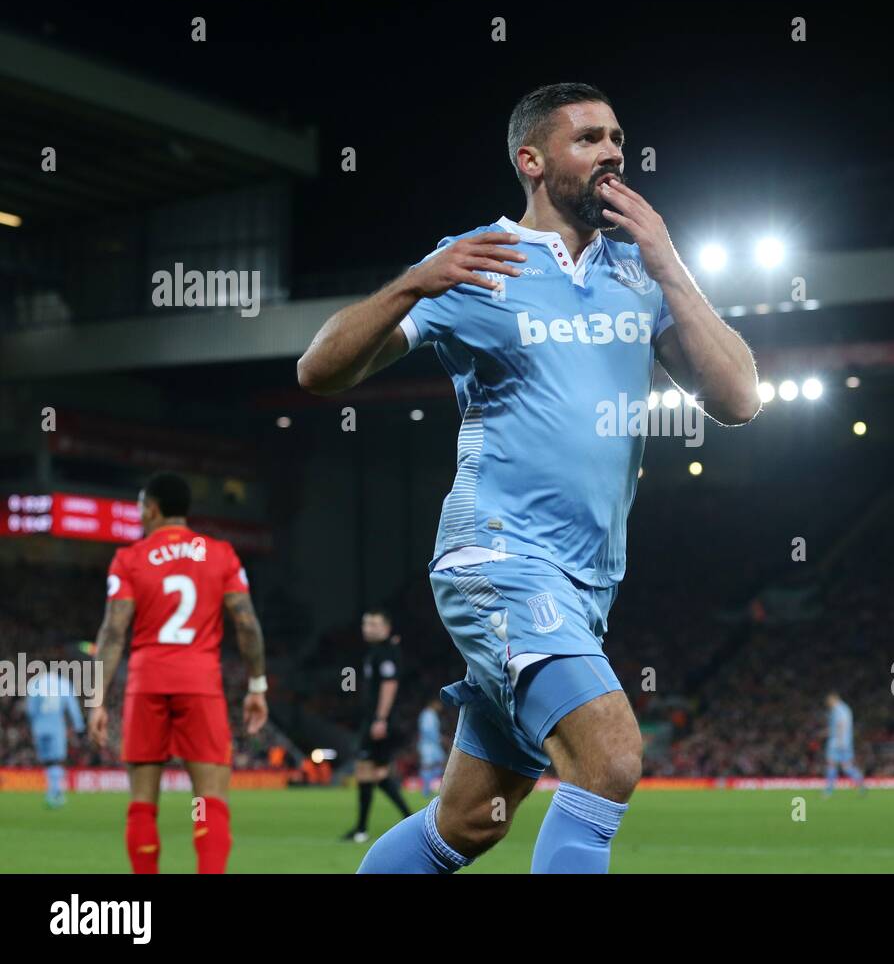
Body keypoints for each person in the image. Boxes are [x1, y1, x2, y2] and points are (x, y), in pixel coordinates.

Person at [299, 82, 759, 874]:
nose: (613, 151)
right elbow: (319, 371)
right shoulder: (478, 260)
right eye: (589, 138)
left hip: (587, 585)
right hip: (500, 558)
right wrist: (415, 282)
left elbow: (739, 399)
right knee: (610, 757)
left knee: (470, 823)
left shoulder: (638, 273)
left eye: (618, 137)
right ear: (533, 160)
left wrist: (671, 264)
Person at [88, 471, 268, 873]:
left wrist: (96, 699)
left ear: (152, 508)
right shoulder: (220, 553)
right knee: (207, 802)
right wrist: (257, 686)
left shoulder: (129, 558)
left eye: (139, 508)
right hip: (199, 684)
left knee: (142, 804)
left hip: (146, 684)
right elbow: (247, 624)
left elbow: (113, 631)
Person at [341, 609, 412, 841]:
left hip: (380, 721)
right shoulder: (377, 652)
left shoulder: (385, 653)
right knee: (378, 774)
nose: (367, 628)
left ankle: (362, 829)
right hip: (377, 719)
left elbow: (389, 685)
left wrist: (380, 719)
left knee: (365, 770)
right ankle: (409, 820)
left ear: (386, 628)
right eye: (365, 624)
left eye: (373, 624)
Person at [25, 648, 85, 808]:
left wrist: (31, 726)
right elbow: (72, 706)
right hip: (56, 727)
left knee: (47, 761)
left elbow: (30, 709)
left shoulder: (35, 683)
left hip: (39, 727)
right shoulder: (63, 684)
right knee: (57, 760)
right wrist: (79, 726)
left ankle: (52, 793)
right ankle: (55, 794)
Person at [824, 692, 866, 796]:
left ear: (833, 700)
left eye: (829, 702)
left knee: (831, 764)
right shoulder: (845, 709)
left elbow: (841, 725)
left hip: (837, 742)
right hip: (846, 742)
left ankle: (829, 790)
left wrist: (838, 740)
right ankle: (861, 785)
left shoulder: (838, 710)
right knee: (846, 767)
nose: (828, 704)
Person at [418, 698, 446, 798]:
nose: (440, 707)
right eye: (439, 704)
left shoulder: (431, 714)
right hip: (429, 745)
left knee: (440, 764)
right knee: (428, 766)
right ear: (433, 703)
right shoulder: (428, 714)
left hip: (433, 745)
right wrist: (439, 738)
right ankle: (426, 790)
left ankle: (432, 786)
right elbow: (428, 730)